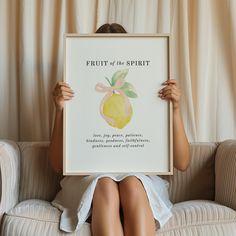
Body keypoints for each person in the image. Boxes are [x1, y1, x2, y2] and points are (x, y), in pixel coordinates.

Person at [48, 23, 190, 236]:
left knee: (132, 182)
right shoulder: (79, 92)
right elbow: (57, 164)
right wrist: (59, 110)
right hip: (91, 178)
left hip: (139, 180)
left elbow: (182, 162)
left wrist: (176, 109)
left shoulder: (151, 92)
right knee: (104, 183)